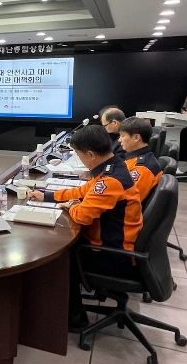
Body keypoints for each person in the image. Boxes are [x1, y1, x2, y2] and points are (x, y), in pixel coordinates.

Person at [28, 125, 143, 330]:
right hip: (117, 245)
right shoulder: (113, 167)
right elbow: (82, 191)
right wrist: (47, 196)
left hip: (114, 255)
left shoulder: (109, 181)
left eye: (79, 154)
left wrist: (71, 206)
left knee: (59, 257)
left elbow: (82, 216)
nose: (79, 159)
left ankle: (75, 318)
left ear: (90, 154)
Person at [118, 117, 163, 201]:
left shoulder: (142, 168)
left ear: (136, 137)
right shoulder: (135, 158)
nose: (119, 140)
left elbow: (128, 200)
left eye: (122, 135)